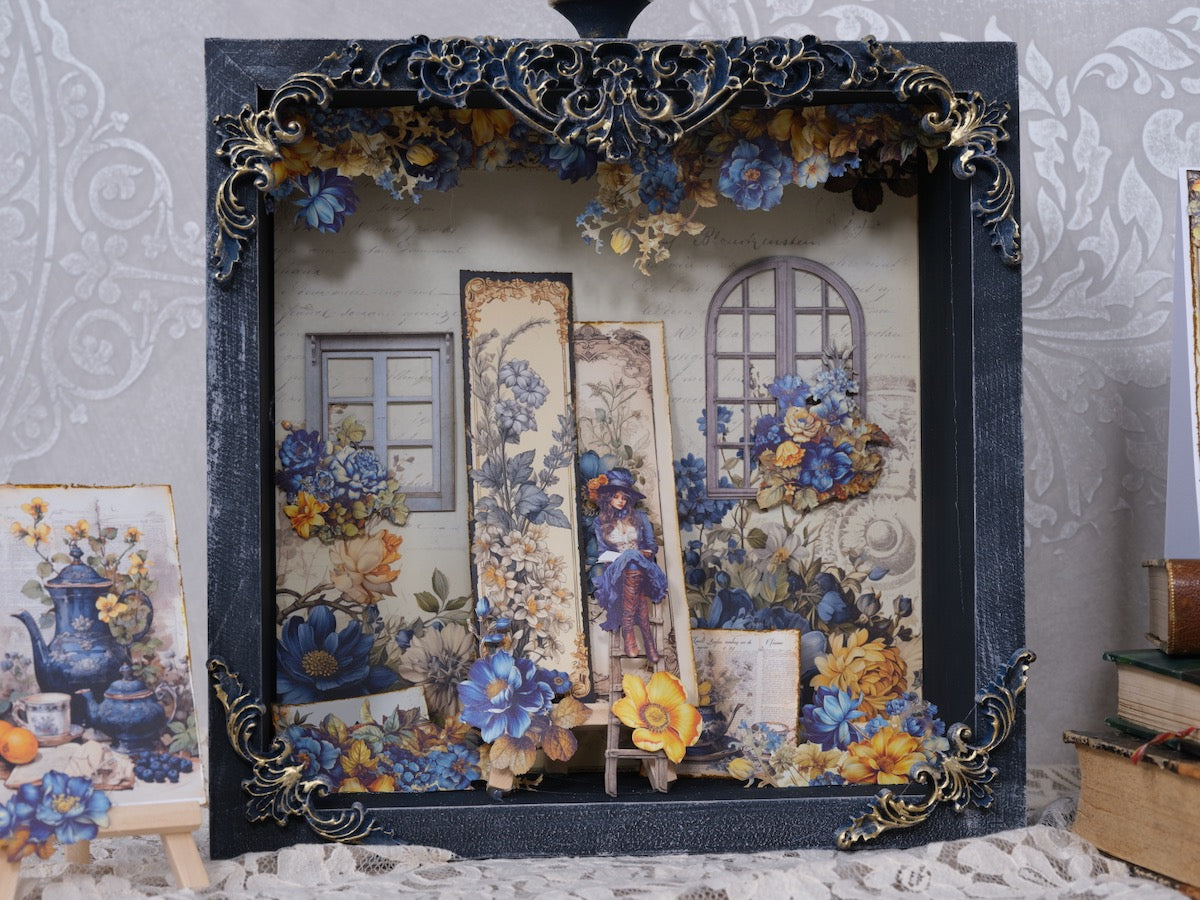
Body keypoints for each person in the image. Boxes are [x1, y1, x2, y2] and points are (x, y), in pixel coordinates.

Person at [592, 469, 668, 662]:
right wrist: (621, 558)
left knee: (633, 561)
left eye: (624, 497)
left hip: (643, 568)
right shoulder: (599, 521)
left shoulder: (640, 517)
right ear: (608, 498)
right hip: (616, 572)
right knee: (631, 568)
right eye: (616, 497)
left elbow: (652, 546)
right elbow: (602, 552)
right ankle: (648, 640)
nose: (620, 501)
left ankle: (628, 629)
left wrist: (640, 554)